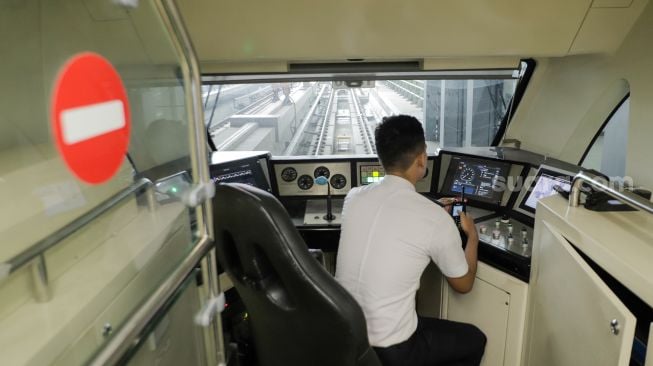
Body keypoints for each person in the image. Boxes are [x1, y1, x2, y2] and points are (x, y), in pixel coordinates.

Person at [335, 115, 486, 366]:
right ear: (422, 158)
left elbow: (394, 214)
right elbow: (464, 283)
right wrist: (473, 238)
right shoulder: (435, 219)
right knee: (474, 339)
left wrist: (434, 211)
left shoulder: (354, 197)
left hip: (347, 337)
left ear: (382, 157)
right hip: (392, 349)